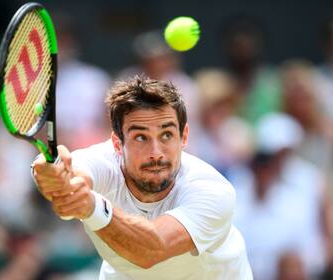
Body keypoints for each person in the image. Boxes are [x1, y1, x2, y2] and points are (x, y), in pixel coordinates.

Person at [32, 76, 252, 279]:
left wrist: (92, 206)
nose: (156, 152)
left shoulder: (212, 189)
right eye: (140, 137)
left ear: (183, 137)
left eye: (166, 135)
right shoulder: (103, 162)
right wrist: (52, 175)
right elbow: (69, 172)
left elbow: (152, 250)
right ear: (118, 143)